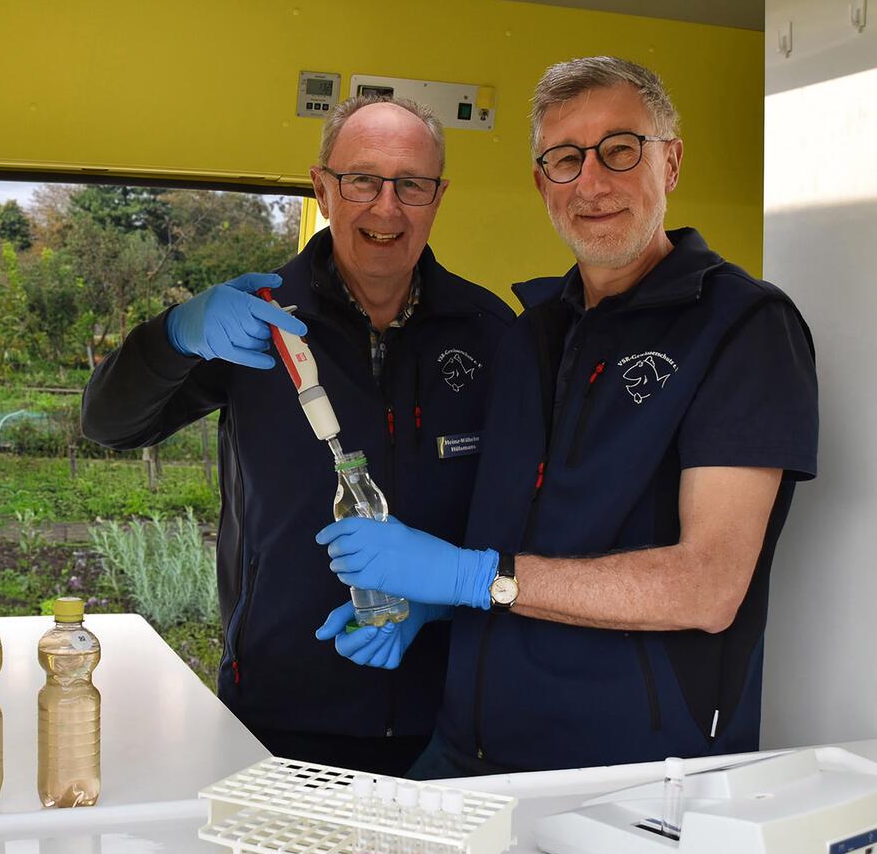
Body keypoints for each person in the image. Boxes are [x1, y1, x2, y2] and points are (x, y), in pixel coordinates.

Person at [317, 57, 819, 777]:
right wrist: (431, 602)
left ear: (670, 162)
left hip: (634, 777)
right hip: (469, 751)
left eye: (620, 150)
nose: (591, 183)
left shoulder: (742, 328)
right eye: (564, 159)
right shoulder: (530, 333)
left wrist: (471, 576)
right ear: (540, 183)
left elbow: (709, 586)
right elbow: (525, 545)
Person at [81, 95, 514, 776]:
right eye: (362, 180)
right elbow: (108, 422)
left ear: (438, 196)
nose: (386, 207)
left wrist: (434, 602)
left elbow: (523, 520)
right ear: (322, 187)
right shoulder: (257, 321)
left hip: (453, 721)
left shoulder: (490, 333)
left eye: (412, 184)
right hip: (279, 717)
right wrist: (175, 333)